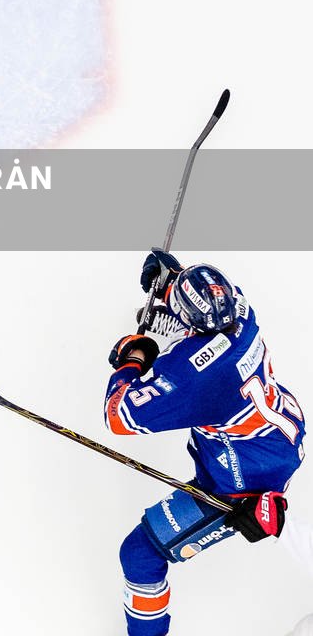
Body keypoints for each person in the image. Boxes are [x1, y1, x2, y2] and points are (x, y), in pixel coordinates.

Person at [105, 252, 305, 634]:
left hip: (242, 486)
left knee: (139, 555)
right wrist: (171, 281)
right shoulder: (242, 311)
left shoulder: (197, 379)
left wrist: (132, 359)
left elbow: (119, 415)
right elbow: (207, 304)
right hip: (278, 436)